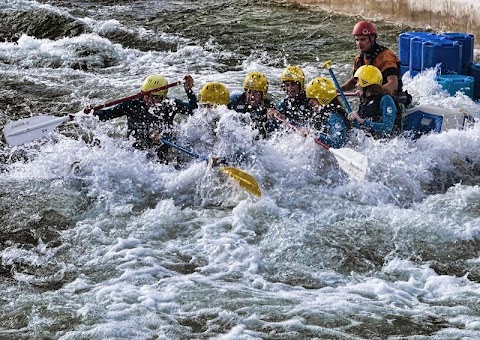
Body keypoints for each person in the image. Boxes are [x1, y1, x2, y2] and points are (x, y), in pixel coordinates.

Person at [85, 74, 197, 161]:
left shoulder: (170, 104)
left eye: (155, 97)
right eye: (146, 96)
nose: (149, 100)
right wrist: (92, 113)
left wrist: (189, 91)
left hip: (161, 149)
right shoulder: (132, 105)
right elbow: (106, 115)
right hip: (134, 153)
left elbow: (193, 110)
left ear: (163, 97)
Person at [341, 20, 411, 105]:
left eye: (363, 39)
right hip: (372, 98)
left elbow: (393, 85)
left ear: (373, 38)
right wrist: (336, 90)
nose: (359, 43)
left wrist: (371, 92)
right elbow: (354, 82)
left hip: (391, 99)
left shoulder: (385, 57)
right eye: (357, 40)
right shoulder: (359, 59)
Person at [347, 65, 402, 138]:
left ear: (365, 82)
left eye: (358, 81)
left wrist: (362, 121)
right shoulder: (366, 101)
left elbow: (387, 128)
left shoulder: (386, 99)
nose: (356, 85)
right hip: (372, 142)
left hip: (389, 144)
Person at [228, 71, 279, 139]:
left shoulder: (268, 107)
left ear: (262, 94)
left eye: (256, 93)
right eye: (249, 92)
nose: (251, 96)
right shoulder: (235, 99)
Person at [305, 77, 348, 148]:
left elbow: (338, 142)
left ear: (322, 98)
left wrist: (315, 135)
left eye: (313, 99)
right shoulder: (321, 114)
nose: (310, 102)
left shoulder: (334, 117)